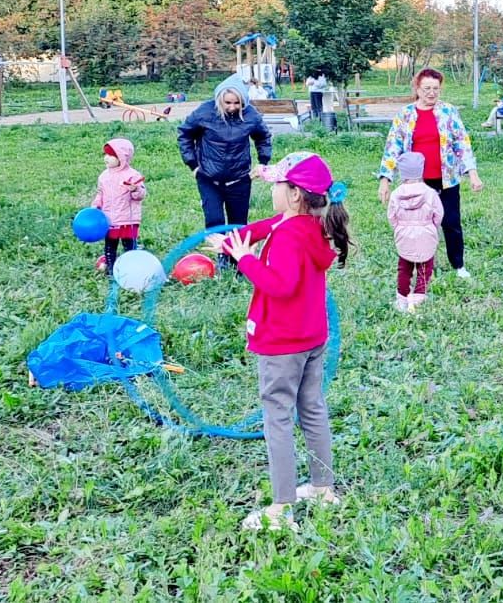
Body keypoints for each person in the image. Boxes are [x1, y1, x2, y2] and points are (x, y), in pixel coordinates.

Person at [206, 152, 352, 532]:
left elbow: (279, 286)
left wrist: (244, 259)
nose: (272, 190)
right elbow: (267, 225)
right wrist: (235, 239)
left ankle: (282, 507)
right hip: (312, 336)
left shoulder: (289, 236)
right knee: (313, 408)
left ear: (295, 194)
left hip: (282, 341)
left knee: (278, 418)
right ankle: (323, 489)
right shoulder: (311, 223)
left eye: (277, 185)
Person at [377, 68, 483, 279]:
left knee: (451, 223)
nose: (432, 93)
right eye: (427, 88)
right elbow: (392, 147)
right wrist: (385, 180)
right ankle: (423, 265)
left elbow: (462, 143)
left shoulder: (448, 112)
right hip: (416, 181)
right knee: (420, 225)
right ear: (417, 88)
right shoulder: (405, 114)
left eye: (436, 89)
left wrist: (473, 174)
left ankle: (458, 265)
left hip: (447, 179)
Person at [177, 75, 273, 267]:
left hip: (239, 178)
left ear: (243, 101)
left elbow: (263, 137)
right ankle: (222, 257)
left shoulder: (251, 115)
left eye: (236, 103)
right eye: (227, 102)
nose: (232, 107)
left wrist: (263, 162)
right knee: (215, 219)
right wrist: (193, 165)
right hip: (208, 177)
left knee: (238, 222)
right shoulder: (204, 112)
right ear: (220, 99)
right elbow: (185, 134)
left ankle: (237, 260)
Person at [387, 151, 444, 312]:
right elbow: (439, 214)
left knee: (404, 267)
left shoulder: (396, 194)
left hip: (404, 234)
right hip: (426, 232)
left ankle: (402, 297)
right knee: (425, 266)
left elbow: (391, 216)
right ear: (421, 171)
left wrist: (398, 228)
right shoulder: (430, 193)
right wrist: (432, 226)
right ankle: (419, 296)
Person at [92, 138, 146, 275]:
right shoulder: (104, 176)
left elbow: (140, 195)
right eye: (105, 154)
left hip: (128, 219)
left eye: (111, 155)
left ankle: (132, 267)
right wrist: (96, 205)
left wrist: (134, 189)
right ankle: (111, 268)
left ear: (122, 158)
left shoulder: (132, 175)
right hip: (110, 219)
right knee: (110, 244)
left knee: (129, 244)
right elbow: (100, 193)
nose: (106, 158)